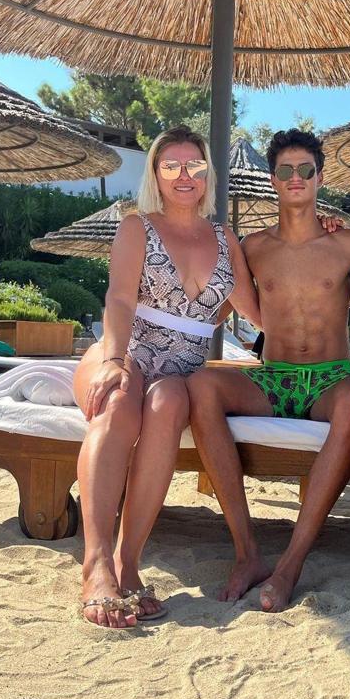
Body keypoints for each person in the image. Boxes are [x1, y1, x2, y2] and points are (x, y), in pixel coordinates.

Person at [73, 126, 260, 629]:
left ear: (207, 173)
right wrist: (114, 359)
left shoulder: (225, 239)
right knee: (119, 399)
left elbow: (258, 312)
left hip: (180, 372)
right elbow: (119, 298)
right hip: (126, 349)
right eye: (171, 165)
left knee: (168, 404)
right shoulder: (138, 226)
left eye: (194, 165)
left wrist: (314, 246)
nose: (184, 175)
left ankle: (127, 562)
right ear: (156, 173)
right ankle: (96, 563)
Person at [187, 129, 350, 613]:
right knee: (202, 384)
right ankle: (247, 551)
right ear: (272, 179)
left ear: (320, 177)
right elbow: (223, 306)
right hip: (274, 376)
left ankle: (290, 564)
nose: (296, 177)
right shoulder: (253, 247)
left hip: (331, 378)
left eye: (305, 169)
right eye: (285, 170)